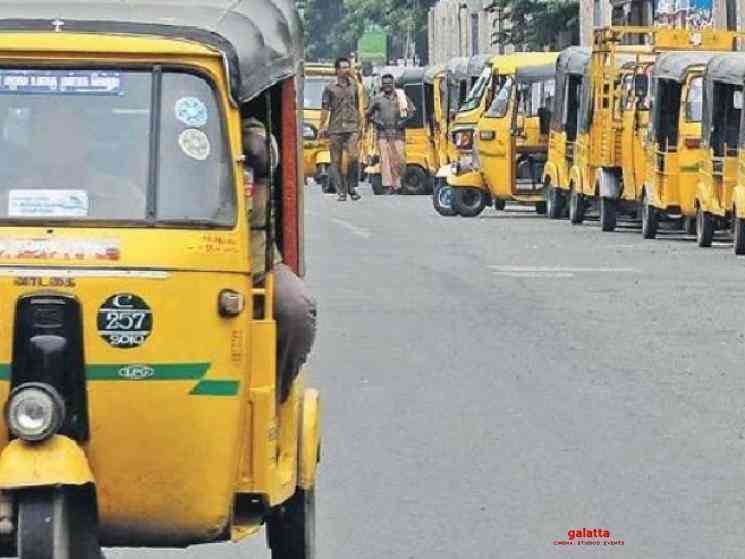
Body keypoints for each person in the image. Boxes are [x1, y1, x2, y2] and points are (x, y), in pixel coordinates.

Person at [243, 115, 318, 403]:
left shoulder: (246, 129)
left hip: (255, 261)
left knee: (295, 308)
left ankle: (276, 392)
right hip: (181, 262)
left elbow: (265, 150)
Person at [319, 57, 362, 201]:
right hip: (335, 127)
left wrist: (360, 123)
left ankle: (351, 187)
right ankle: (341, 191)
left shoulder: (354, 86)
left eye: (347, 67)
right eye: (343, 68)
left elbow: (358, 105)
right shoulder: (329, 88)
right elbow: (325, 108)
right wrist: (321, 126)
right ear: (336, 70)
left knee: (354, 156)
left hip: (352, 126)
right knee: (335, 160)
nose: (346, 70)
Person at [366, 73, 415, 194]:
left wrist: (404, 122)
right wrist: (377, 122)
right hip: (383, 134)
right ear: (382, 85)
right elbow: (368, 114)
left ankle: (398, 183)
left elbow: (412, 111)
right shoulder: (377, 98)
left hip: (398, 133)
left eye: (389, 83)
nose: (387, 86)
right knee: (385, 160)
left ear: (393, 84)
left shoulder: (401, 97)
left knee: (400, 159)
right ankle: (389, 186)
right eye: (385, 84)